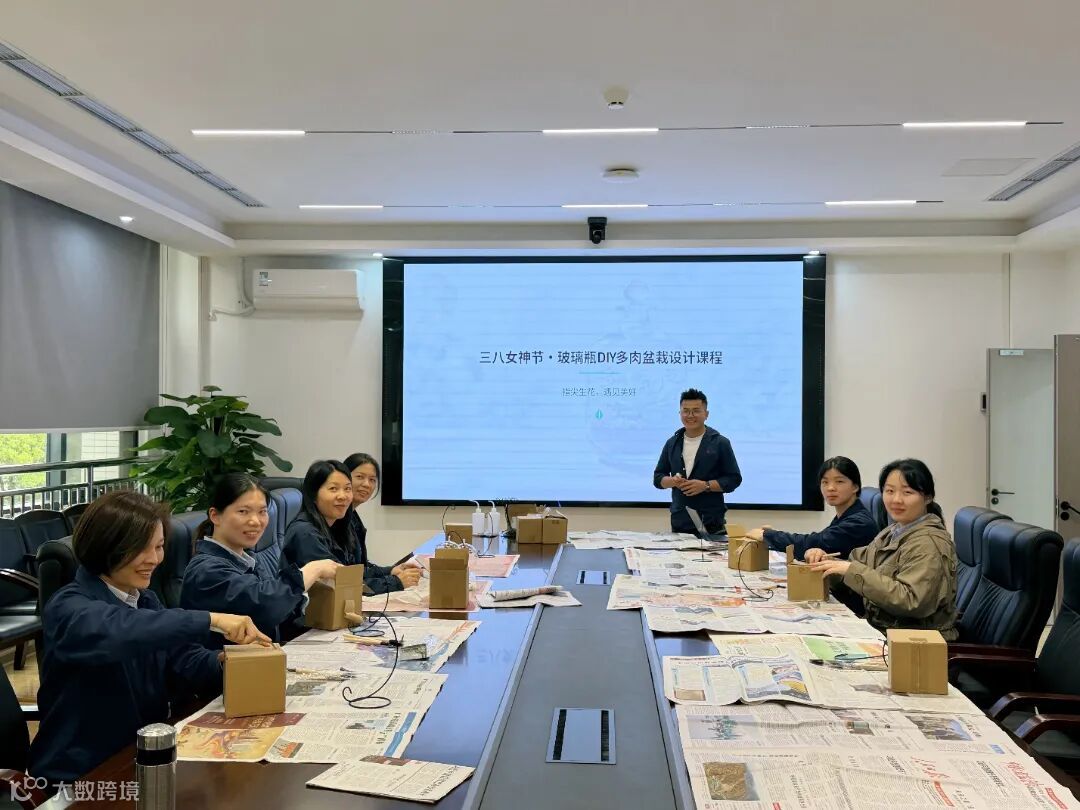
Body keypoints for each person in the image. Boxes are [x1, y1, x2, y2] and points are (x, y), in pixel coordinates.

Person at [30, 490, 269, 784]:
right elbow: (122, 630)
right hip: (82, 774)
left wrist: (228, 661)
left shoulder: (144, 599)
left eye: (159, 547)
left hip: (142, 756)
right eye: (140, 549)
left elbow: (184, 660)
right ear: (105, 546)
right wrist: (211, 619)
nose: (153, 559)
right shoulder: (68, 607)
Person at [180, 473, 341, 646]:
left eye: (262, 512)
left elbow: (280, 615)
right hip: (228, 662)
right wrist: (312, 570)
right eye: (243, 512)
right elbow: (265, 606)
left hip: (262, 655)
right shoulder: (206, 570)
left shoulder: (248, 559)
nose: (256, 521)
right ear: (215, 516)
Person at [810, 459, 959, 640]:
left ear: (927, 497)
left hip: (912, 643)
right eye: (889, 491)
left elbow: (911, 601)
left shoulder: (928, 543)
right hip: (883, 631)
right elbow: (857, 562)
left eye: (907, 492)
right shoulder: (894, 530)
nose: (896, 499)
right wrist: (826, 561)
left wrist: (851, 570)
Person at [745, 456, 878, 561]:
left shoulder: (858, 523)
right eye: (825, 482)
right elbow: (819, 542)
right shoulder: (846, 515)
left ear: (855, 487)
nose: (830, 488)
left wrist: (768, 535)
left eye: (839, 481)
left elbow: (814, 543)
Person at [652, 388, 742, 534]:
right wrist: (673, 481)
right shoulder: (672, 443)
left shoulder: (720, 442)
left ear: (706, 414)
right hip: (680, 522)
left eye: (696, 411)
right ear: (680, 413)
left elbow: (733, 479)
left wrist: (705, 486)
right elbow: (658, 478)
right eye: (686, 411)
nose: (690, 415)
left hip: (711, 523)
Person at [343, 453, 422, 593]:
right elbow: (345, 580)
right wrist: (396, 582)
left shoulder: (352, 517)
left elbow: (360, 569)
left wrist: (391, 570)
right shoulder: (335, 521)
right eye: (360, 477)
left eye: (372, 480)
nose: (366, 484)